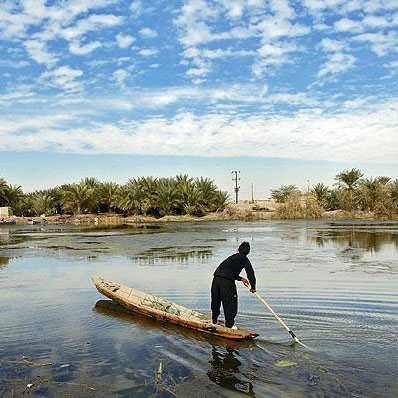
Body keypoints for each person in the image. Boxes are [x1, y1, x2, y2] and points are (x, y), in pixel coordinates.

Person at [211, 242, 256, 329]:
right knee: (230, 302)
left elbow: (228, 271)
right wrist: (253, 287)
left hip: (216, 278)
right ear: (248, 252)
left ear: (239, 249)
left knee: (216, 300)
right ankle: (230, 325)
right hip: (227, 282)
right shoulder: (244, 259)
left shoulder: (232, 257)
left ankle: (214, 320)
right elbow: (250, 273)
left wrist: (240, 279)